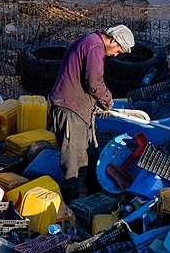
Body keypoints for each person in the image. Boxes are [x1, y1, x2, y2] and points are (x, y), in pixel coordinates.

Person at [48, 24, 135, 204]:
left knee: (89, 155)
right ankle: (70, 209)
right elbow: (94, 82)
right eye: (118, 50)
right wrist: (107, 100)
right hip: (70, 110)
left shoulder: (89, 42)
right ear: (112, 40)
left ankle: (93, 197)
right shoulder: (95, 46)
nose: (116, 54)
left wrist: (95, 104)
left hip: (78, 109)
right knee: (74, 164)